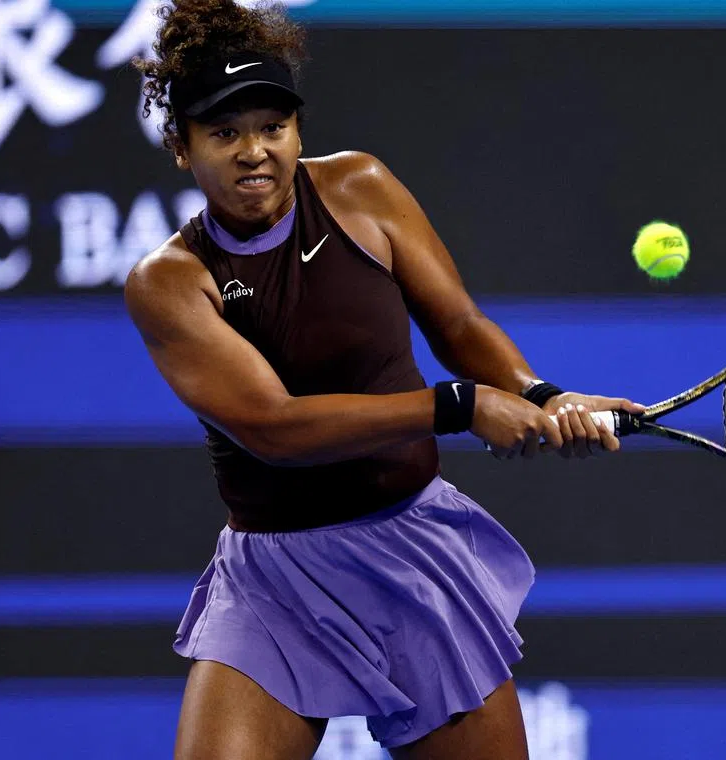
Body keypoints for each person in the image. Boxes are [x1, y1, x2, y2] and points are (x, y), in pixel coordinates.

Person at [125, 1, 644, 757]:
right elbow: (275, 427)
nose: (255, 151)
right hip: (275, 580)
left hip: (412, 556)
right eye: (224, 132)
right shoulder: (169, 282)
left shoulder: (359, 188)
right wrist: (460, 406)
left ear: (298, 130)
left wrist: (539, 394)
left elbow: (459, 325)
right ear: (181, 146)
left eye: (273, 126)